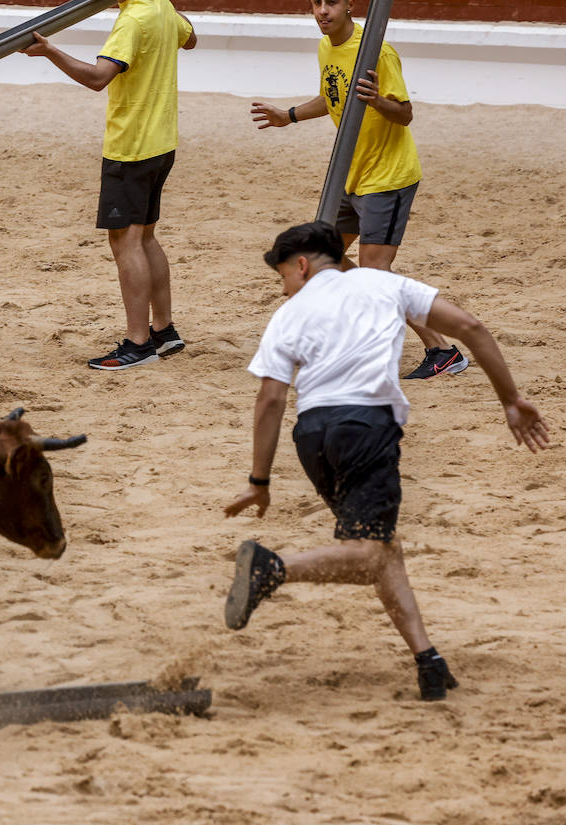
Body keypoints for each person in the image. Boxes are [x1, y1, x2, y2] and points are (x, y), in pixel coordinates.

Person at [222, 221, 549, 700]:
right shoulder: (384, 283)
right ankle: (272, 569)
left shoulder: (288, 317)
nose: (285, 288)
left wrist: (260, 480)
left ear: (302, 264)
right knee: (369, 551)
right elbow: (471, 328)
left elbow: (270, 401)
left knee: (380, 547)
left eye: (282, 279)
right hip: (366, 429)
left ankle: (427, 658)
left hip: (312, 436)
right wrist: (511, 399)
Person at [250, 0, 467, 380]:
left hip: (388, 177)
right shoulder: (325, 48)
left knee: (374, 279)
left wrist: (378, 102)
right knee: (321, 257)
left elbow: (404, 113)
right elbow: (332, 96)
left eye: (331, 2)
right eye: (316, 2)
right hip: (350, 177)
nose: (322, 11)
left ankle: (442, 350)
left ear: (351, 3)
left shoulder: (377, 53)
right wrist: (289, 115)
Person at [21, 0, 197, 371]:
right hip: (161, 142)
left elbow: (98, 77)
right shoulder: (160, 6)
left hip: (132, 147)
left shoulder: (134, 17)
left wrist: (50, 52)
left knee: (126, 243)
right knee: (146, 236)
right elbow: (190, 38)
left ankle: (138, 343)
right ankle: (163, 330)